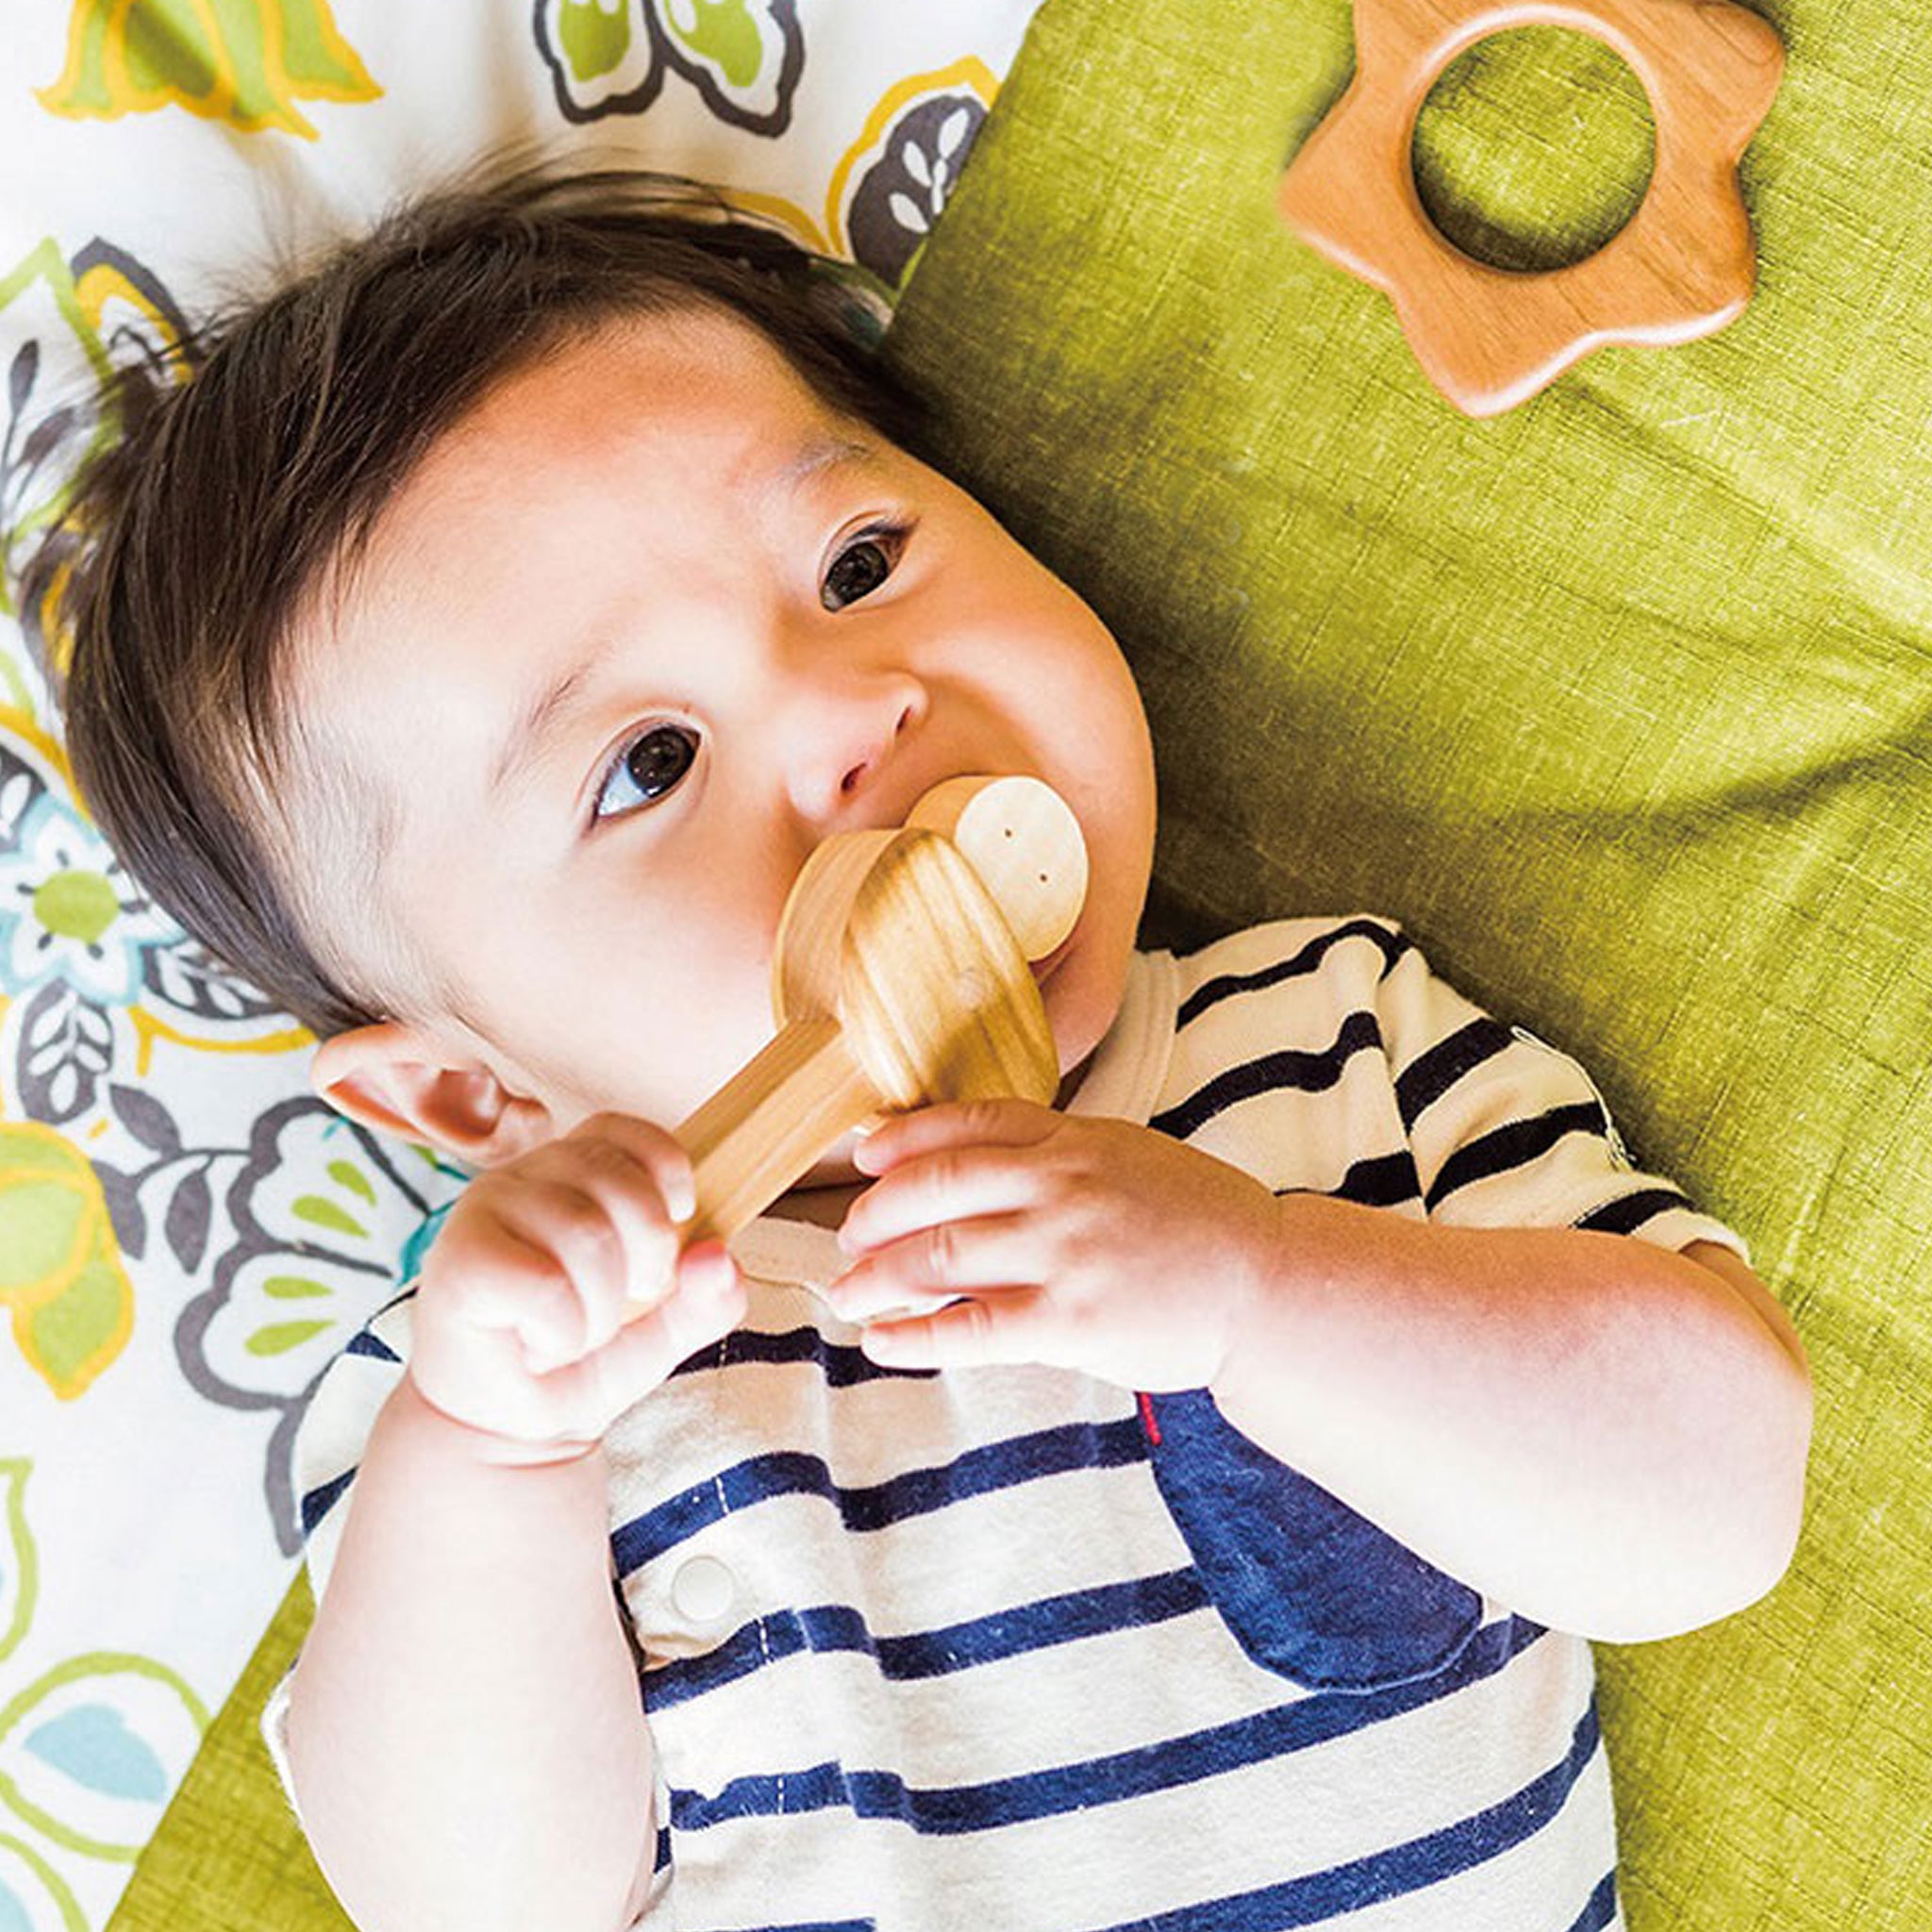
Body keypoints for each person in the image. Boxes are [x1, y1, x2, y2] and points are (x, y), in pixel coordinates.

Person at [31, 160, 1811, 1932]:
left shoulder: (1332, 1047)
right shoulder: (518, 1388)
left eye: (860, 561)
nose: (850, 707)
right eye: (649, 763)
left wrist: (1258, 1292)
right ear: (476, 1091)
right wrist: (488, 1448)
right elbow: (474, 1901)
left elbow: (1714, 1505)